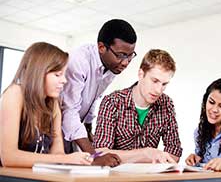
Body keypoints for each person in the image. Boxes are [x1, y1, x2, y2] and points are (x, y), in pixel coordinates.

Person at [0, 42, 94, 167]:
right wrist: (67, 159)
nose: (64, 80)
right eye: (57, 75)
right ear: (38, 72)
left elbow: (58, 153)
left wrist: (75, 159)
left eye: (64, 74)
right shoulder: (15, 93)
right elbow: (9, 157)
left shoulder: (53, 103)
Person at [60, 19, 137, 161]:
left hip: (73, 131)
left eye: (130, 56)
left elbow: (94, 96)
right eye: (121, 55)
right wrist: (94, 155)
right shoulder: (78, 61)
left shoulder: (113, 66)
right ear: (102, 47)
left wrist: (89, 128)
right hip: (55, 131)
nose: (125, 63)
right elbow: (69, 112)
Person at [94, 49, 182, 163]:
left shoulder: (166, 103)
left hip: (150, 177)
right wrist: (143, 154)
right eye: (155, 81)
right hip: (117, 177)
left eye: (164, 84)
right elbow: (100, 152)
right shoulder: (112, 102)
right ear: (141, 74)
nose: (158, 90)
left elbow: (174, 152)